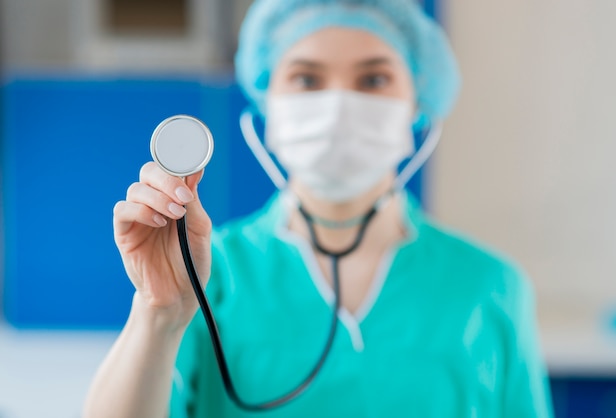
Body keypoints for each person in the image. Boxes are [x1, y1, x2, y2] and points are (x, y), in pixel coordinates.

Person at [83, 0, 554, 417]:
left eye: (374, 78)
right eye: (306, 78)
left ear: (419, 103)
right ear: (267, 100)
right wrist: (159, 313)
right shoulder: (208, 272)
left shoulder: (490, 286)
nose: (338, 105)